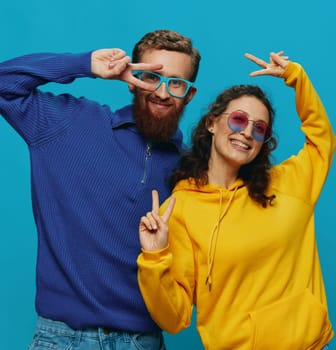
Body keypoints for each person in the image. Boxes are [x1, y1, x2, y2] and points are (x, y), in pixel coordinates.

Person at [0, 29, 200, 349]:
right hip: (62, 338)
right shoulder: (69, 123)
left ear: (189, 94)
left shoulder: (191, 171)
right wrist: (84, 64)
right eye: (150, 76)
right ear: (132, 77)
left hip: (142, 341)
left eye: (176, 83)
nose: (162, 92)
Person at [137, 50, 336, 349]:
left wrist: (296, 78)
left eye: (259, 128)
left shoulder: (289, 184)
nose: (246, 132)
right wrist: (154, 258)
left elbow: (322, 140)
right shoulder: (181, 209)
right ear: (212, 123)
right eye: (239, 120)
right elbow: (173, 318)